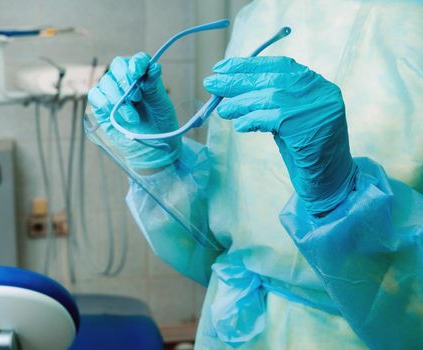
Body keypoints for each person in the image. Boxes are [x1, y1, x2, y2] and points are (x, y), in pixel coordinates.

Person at [88, 0, 423, 348]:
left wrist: (342, 199)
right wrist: (161, 165)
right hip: (236, 330)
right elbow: (222, 240)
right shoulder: (260, 16)